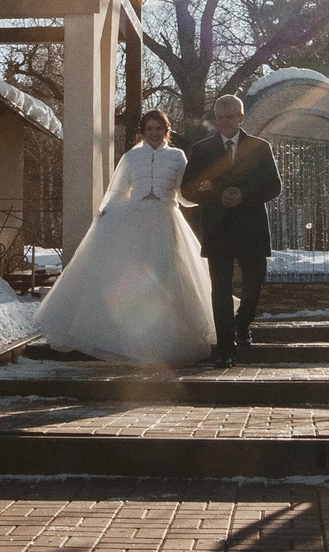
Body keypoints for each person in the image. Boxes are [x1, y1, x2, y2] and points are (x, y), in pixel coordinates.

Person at [32, 108, 214, 364]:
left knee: (167, 275)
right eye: (149, 129)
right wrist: (107, 216)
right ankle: (133, 339)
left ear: (167, 131)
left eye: (158, 129)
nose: (154, 133)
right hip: (135, 221)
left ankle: (167, 340)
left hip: (164, 218)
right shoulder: (131, 157)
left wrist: (200, 192)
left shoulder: (177, 156)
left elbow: (183, 194)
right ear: (142, 132)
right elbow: (118, 194)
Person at [184, 93, 282, 365]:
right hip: (217, 228)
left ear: (241, 117)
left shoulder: (260, 147)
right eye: (220, 117)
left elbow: (274, 185)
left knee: (254, 284)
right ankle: (225, 350)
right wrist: (212, 194)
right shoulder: (202, 150)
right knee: (221, 290)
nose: (225, 122)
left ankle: (242, 322)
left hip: (251, 228)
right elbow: (187, 189)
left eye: (230, 117)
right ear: (215, 119)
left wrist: (244, 194)